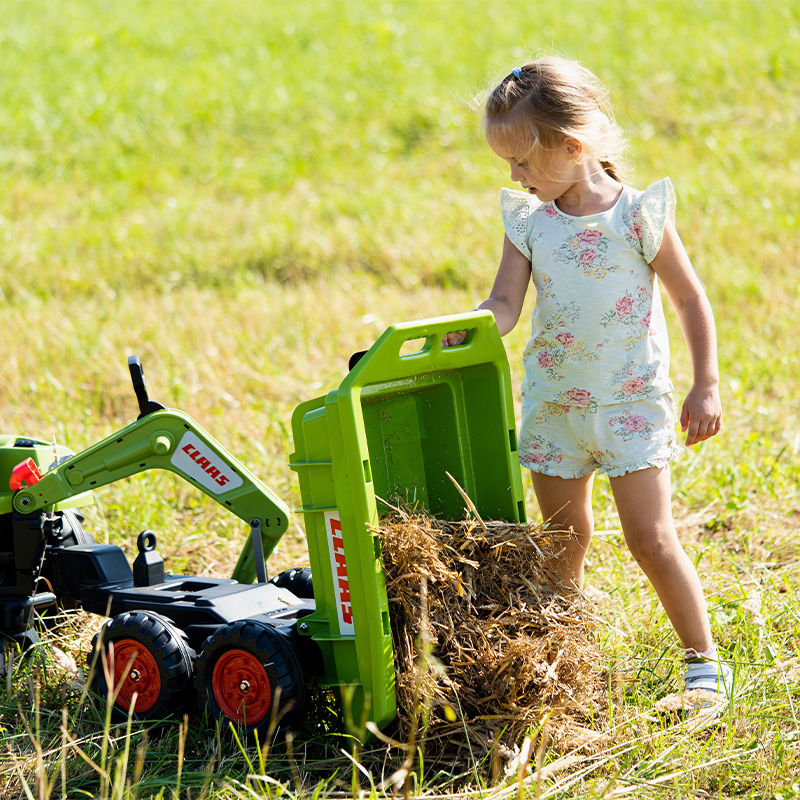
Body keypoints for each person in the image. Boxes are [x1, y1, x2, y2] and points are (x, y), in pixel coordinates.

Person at [444, 57, 732, 699]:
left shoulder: (636, 216)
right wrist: (469, 325)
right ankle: (570, 663)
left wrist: (705, 382)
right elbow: (506, 306)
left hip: (629, 405)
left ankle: (704, 665)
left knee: (652, 540)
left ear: (572, 146)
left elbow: (689, 300)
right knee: (561, 543)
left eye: (522, 162)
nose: (514, 177)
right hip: (555, 407)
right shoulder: (527, 223)